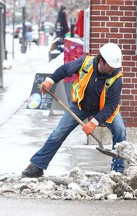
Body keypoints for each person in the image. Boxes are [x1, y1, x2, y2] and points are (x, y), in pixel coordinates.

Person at [22, 43, 126, 178]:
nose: (113, 69)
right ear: (101, 61)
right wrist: (50, 81)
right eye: (111, 66)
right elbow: (64, 70)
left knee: (120, 130)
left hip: (103, 108)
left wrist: (94, 122)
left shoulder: (116, 78)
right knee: (58, 133)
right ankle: (37, 165)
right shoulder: (85, 62)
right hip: (80, 105)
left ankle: (118, 170)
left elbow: (111, 106)